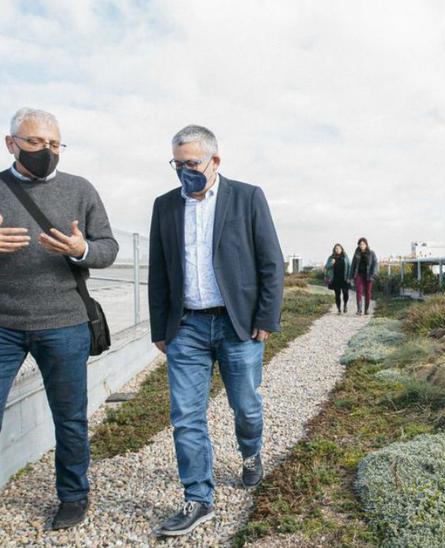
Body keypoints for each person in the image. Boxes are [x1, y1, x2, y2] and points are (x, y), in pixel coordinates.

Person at [0, 107, 119, 547]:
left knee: (70, 419)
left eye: (54, 145)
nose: (46, 152)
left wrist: (80, 249)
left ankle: (74, 495)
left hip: (64, 323)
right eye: (36, 143)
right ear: (10, 142)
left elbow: (107, 248)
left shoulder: (80, 189)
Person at [147, 125, 285, 537]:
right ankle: (198, 497)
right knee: (186, 416)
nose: (184, 171)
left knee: (245, 405)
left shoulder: (247, 197)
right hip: (186, 325)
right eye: (177, 163)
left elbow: (270, 262)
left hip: (236, 323)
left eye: (191, 163)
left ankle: (250, 452)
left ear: (214, 161)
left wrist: (266, 317)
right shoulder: (165, 206)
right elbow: (158, 271)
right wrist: (160, 327)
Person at [353, 237, 379, 315]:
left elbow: (375, 264)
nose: (361, 246)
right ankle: (359, 310)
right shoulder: (356, 254)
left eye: (363, 244)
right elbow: (353, 265)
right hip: (359, 275)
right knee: (359, 292)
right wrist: (350, 276)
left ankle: (366, 309)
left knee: (368, 292)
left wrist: (373, 274)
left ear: (366, 245)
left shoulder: (371, 253)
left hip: (369, 275)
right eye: (360, 244)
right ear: (358, 245)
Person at [324, 243, 352, 314]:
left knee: (346, 293)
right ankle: (339, 309)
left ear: (342, 249)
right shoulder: (331, 257)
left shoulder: (345, 257)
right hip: (335, 279)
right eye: (336, 248)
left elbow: (349, 267)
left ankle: (345, 305)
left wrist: (349, 277)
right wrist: (331, 263)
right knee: (337, 294)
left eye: (339, 248)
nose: (337, 250)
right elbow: (326, 267)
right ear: (334, 250)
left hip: (345, 278)